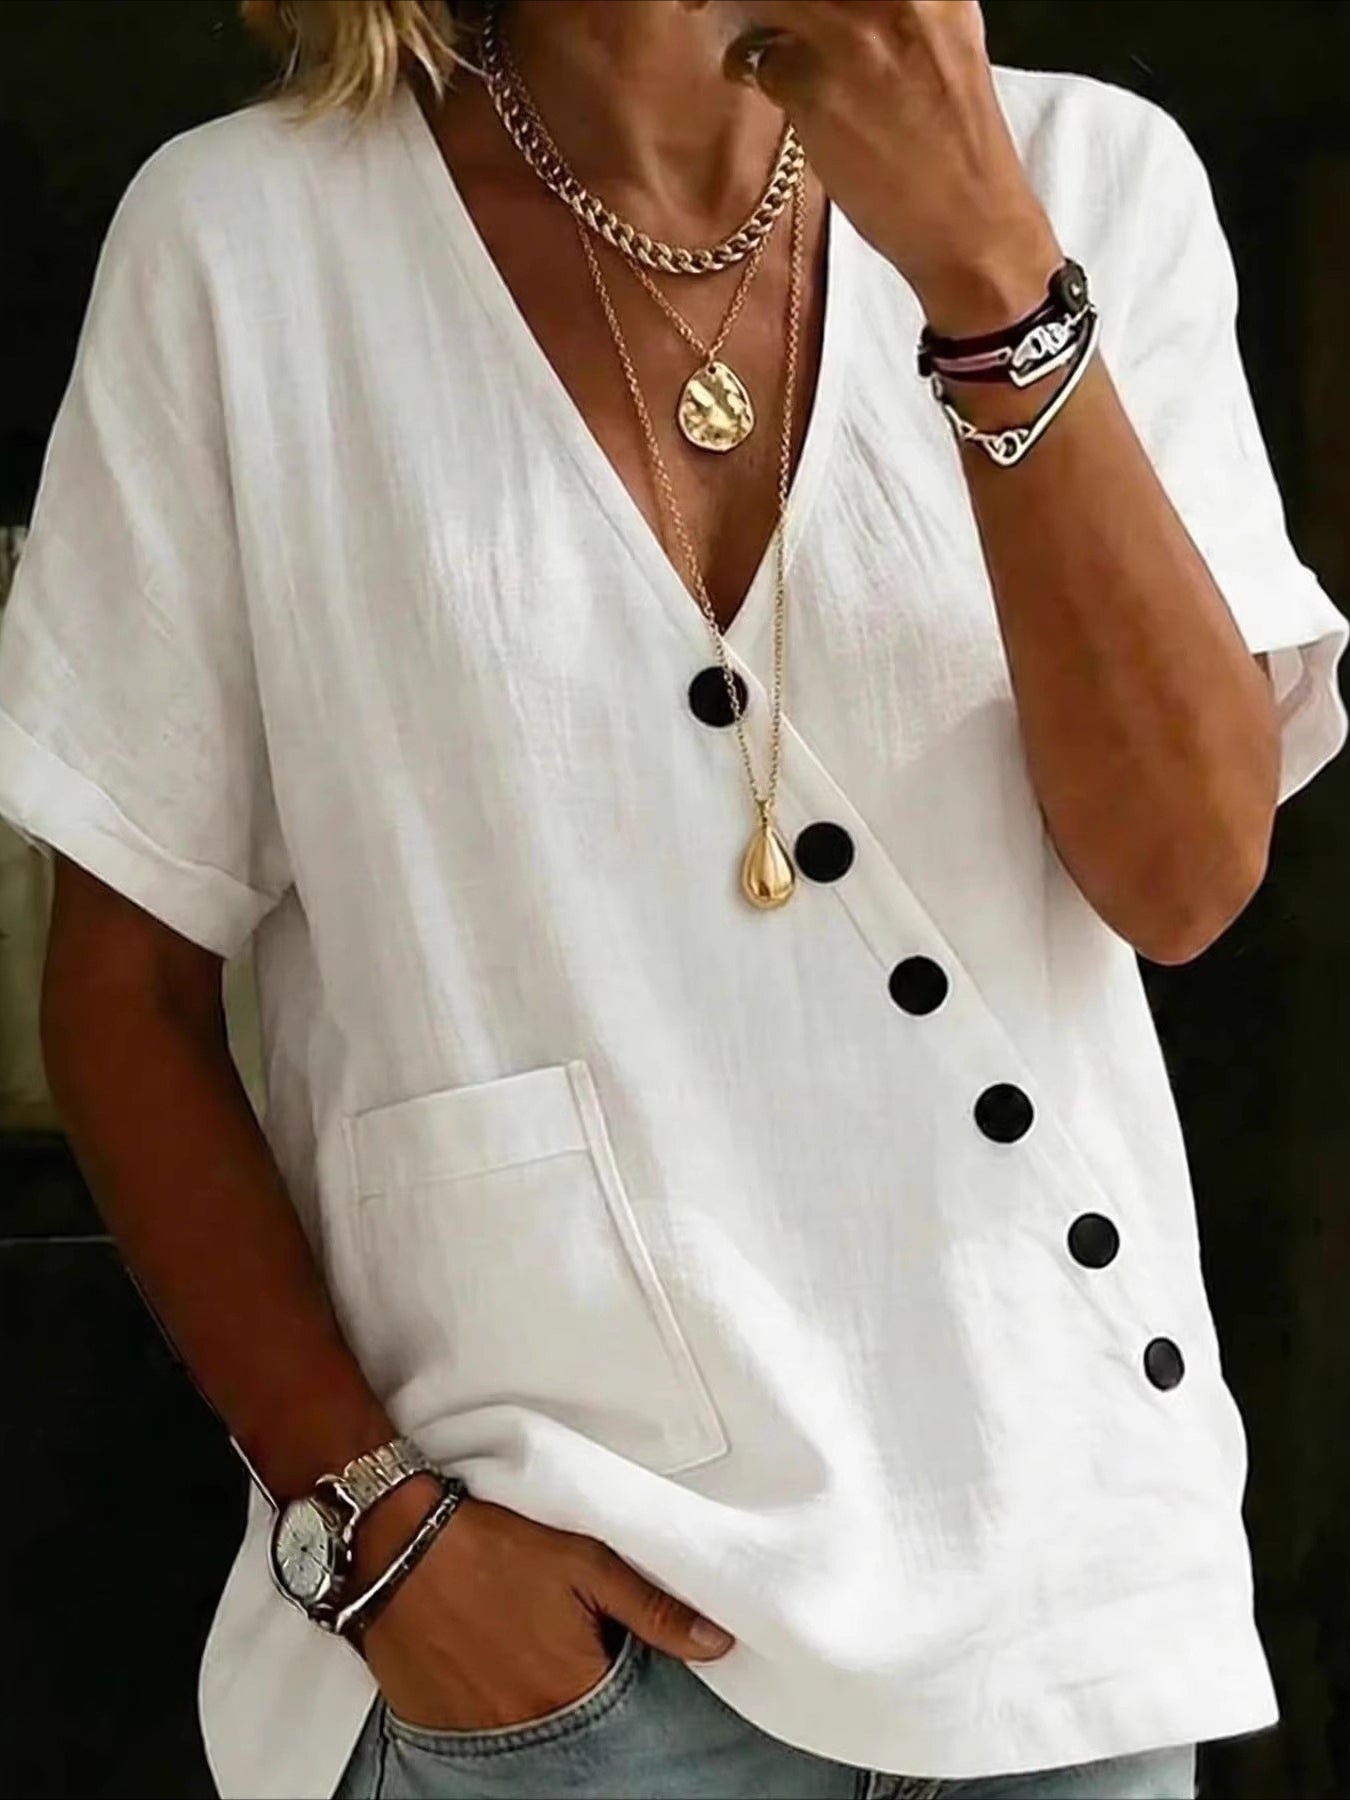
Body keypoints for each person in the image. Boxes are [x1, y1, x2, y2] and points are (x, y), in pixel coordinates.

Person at [0, 1, 1345, 1796]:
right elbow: (124, 991)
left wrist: (989, 278)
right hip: (552, 1642)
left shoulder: (1087, 179)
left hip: (1051, 1611)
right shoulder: (246, 242)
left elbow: (1180, 879)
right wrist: (373, 1529)